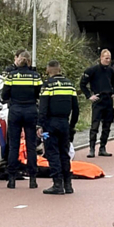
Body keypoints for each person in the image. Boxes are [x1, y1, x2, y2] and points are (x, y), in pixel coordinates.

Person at [38, 60, 80, 195]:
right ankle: (68, 185)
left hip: (49, 126)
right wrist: (72, 126)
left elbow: (43, 108)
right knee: (64, 153)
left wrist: (40, 126)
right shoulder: (70, 85)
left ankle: (57, 184)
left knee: (52, 152)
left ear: (48, 70)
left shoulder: (48, 85)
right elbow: (76, 109)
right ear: (60, 69)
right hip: (64, 124)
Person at [2, 50, 42, 189]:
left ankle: (11, 178)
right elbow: (39, 93)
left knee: (14, 145)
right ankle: (33, 178)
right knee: (31, 145)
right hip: (30, 110)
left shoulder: (11, 76)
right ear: (29, 61)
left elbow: (4, 94)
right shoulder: (35, 76)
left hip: (15, 110)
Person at [80, 49, 114, 158]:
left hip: (108, 100)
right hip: (98, 100)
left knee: (107, 125)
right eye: (106, 58)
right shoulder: (92, 70)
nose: (108, 60)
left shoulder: (111, 71)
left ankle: (102, 148)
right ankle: (91, 148)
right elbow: (82, 84)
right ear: (101, 58)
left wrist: (113, 93)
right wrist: (89, 96)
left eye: (109, 58)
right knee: (95, 125)